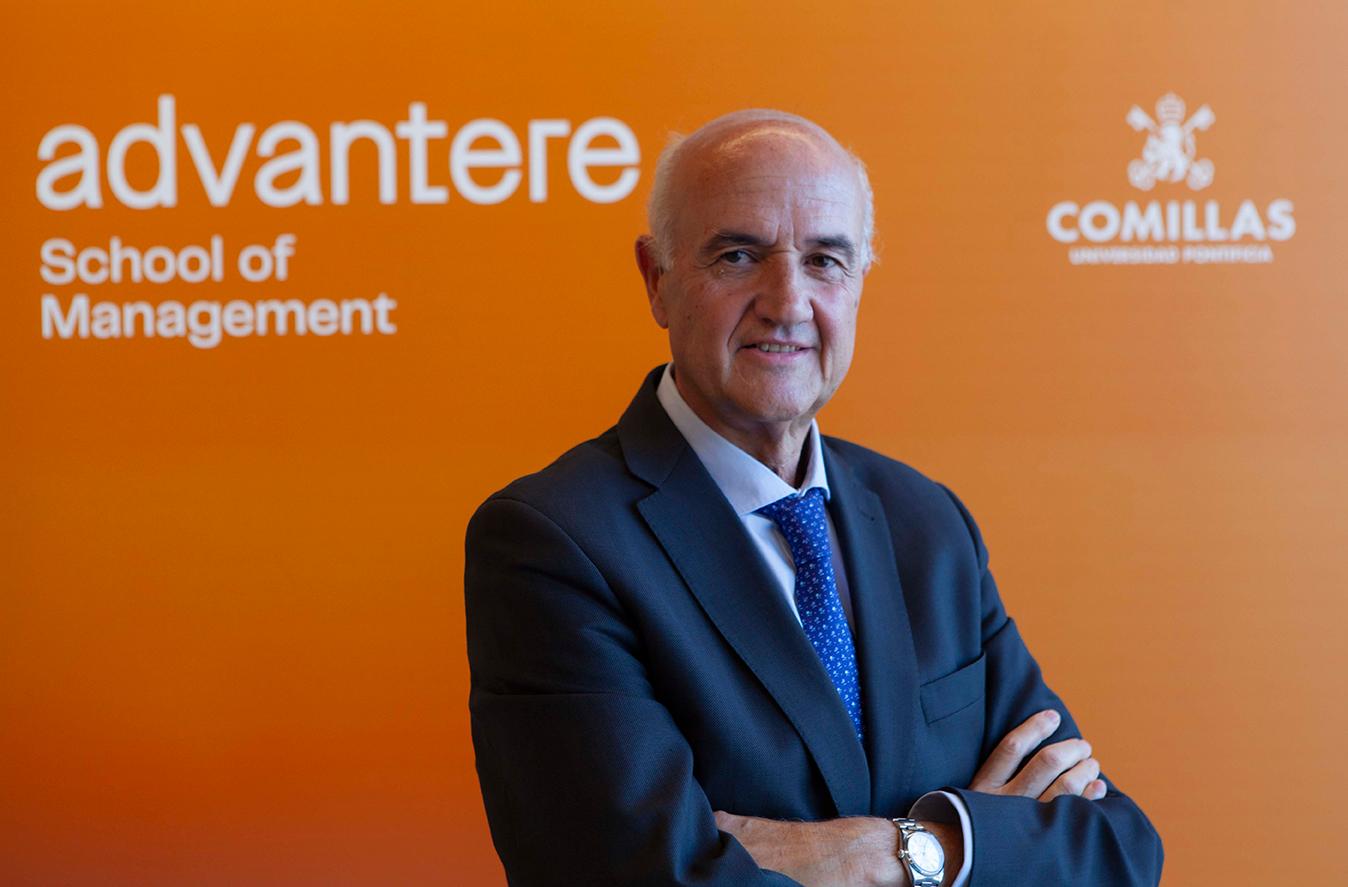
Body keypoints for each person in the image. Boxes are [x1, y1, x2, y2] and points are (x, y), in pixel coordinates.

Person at [464, 109, 1163, 886]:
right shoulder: (553, 542)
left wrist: (904, 852)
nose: (788, 300)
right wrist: (981, 842)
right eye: (738, 255)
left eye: (826, 260)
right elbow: (631, 873)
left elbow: (1111, 845)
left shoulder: (927, 523)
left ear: (861, 280)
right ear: (657, 279)